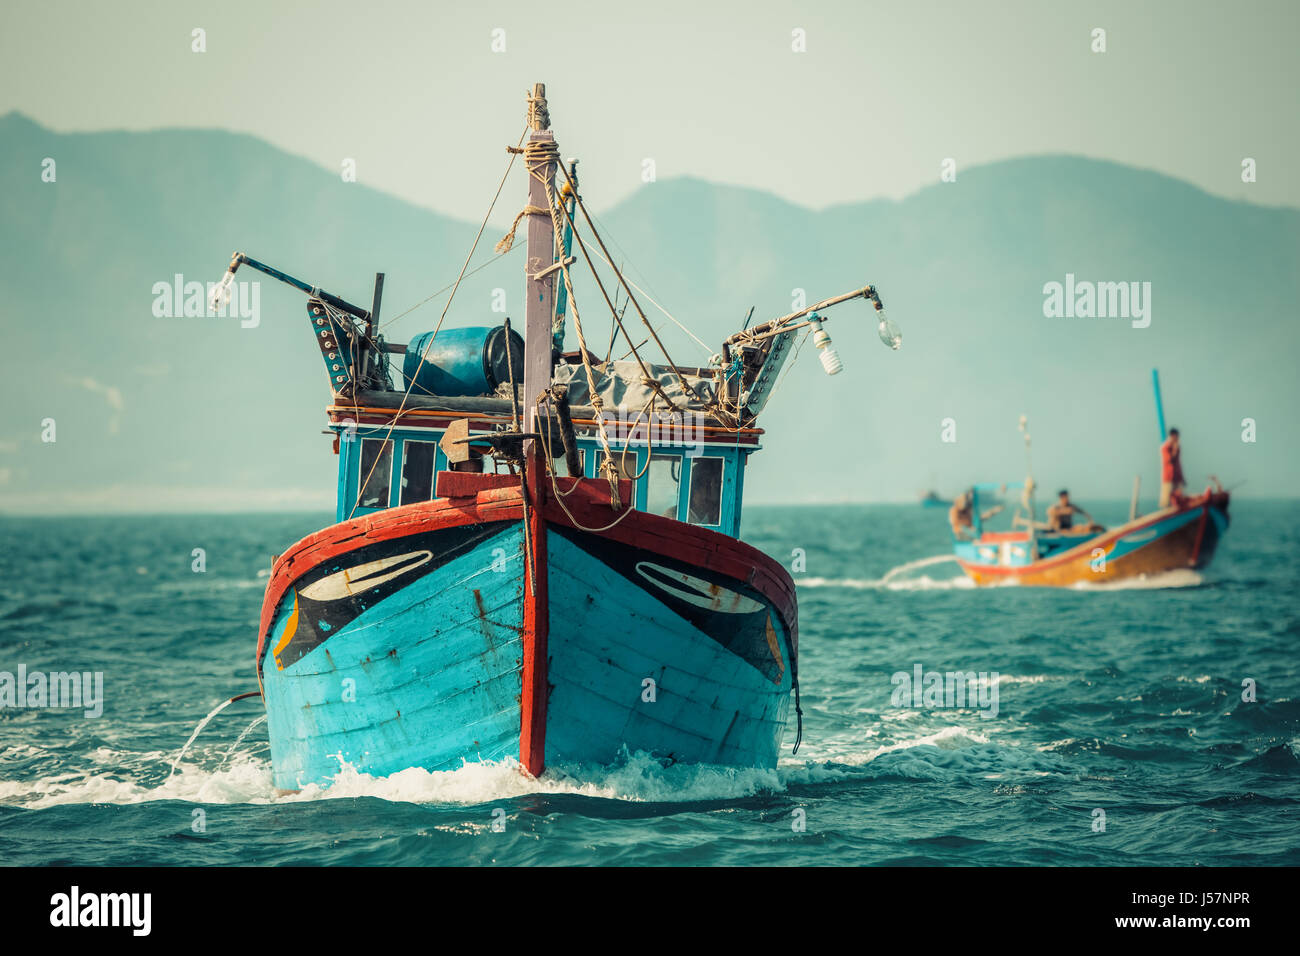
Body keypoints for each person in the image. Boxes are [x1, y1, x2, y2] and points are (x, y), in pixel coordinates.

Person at [1159, 428, 1185, 508]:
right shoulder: (1165, 447)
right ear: (1172, 436)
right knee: (1166, 502)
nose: (1177, 439)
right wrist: (1174, 449)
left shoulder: (1177, 448)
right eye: (1176, 437)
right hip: (1168, 478)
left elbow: (1178, 463)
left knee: (1179, 501)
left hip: (1177, 478)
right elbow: (1169, 460)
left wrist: (1182, 478)